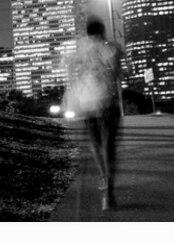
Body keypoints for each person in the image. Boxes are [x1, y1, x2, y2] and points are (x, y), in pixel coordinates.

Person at [62, 17, 124, 211]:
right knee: (109, 146)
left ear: (88, 33)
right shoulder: (111, 47)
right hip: (107, 102)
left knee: (95, 143)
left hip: (87, 102)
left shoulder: (83, 49)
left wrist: (74, 83)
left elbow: (68, 63)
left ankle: (102, 177)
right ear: (103, 31)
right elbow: (116, 74)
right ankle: (109, 191)